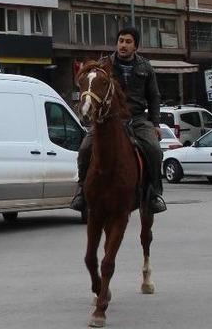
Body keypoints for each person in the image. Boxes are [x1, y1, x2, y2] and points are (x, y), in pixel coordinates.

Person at [71, 27, 167, 214]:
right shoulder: (104, 64)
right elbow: (90, 84)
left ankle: (154, 193)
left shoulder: (145, 67)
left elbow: (154, 97)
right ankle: (82, 192)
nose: (123, 45)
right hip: (108, 118)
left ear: (136, 46)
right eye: (121, 40)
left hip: (137, 119)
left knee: (155, 150)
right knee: (84, 149)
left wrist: (155, 124)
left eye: (128, 42)